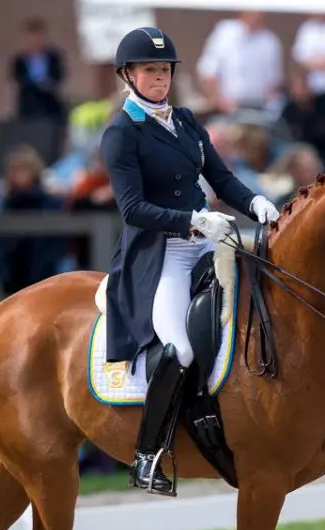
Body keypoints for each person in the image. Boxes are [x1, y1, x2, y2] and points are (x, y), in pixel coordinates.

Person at [100, 26, 280, 495]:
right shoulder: (122, 132)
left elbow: (220, 178)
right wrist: (195, 222)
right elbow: (132, 209)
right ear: (129, 75)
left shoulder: (184, 121)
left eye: (164, 70)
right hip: (162, 255)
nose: (159, 78)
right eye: (149, 70)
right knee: (178, 348)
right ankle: (147, 454)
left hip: (208, 239)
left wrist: (255, 201)